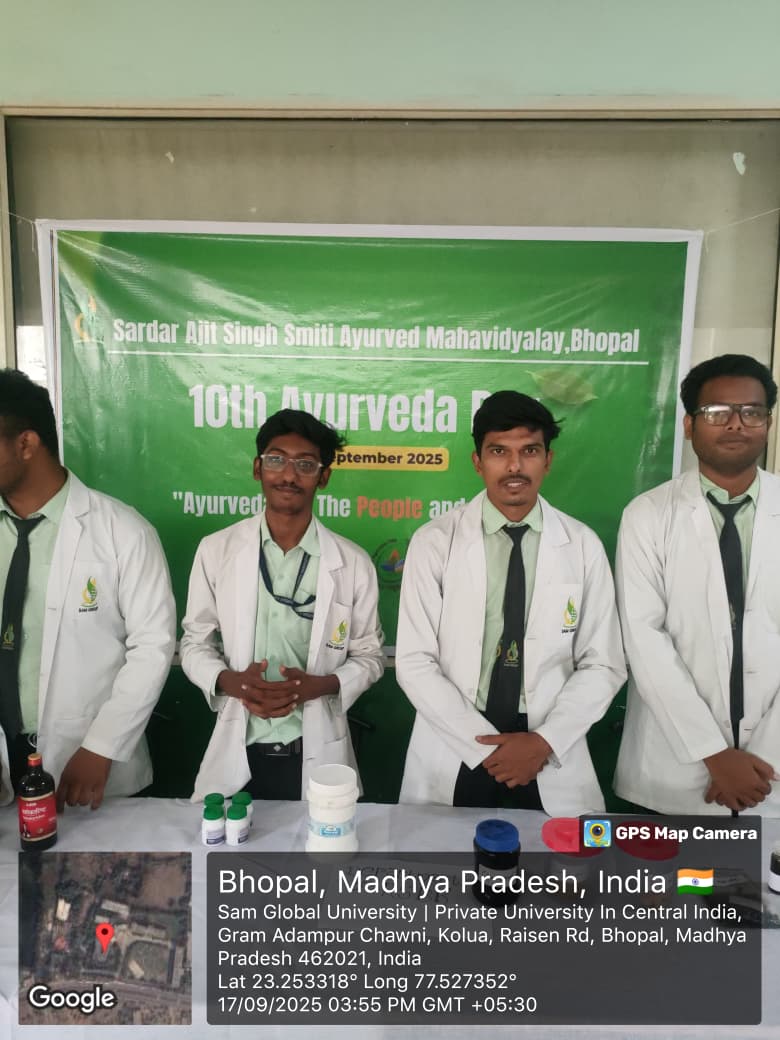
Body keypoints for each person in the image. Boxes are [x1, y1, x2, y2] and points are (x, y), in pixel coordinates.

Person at [396, 390, 625, 815]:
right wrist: (486, 749)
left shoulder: (582, 545)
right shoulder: (434, 542)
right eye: (499, 451)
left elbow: (603, 663)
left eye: (529, 451)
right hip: (457, 737)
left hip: (546, 743)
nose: (515, 466)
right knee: (442, 855)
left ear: (548, 460)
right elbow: (414, 661)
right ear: (478, 461)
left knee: (557, 858)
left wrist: (544, 741)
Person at [181, 409, 384, 800]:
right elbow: (194, 643)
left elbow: (370, 656)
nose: (289, 475)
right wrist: (231, 682)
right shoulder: (217, 550)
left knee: (321, 838)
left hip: (315, 747)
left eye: (305, 465)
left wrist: (321, 686)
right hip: (238, 748)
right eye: (276, 460)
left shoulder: (353, 563)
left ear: (323, 477)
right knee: (229, 838)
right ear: (258, 468)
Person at [0, 369, 176, 810]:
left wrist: (101, 746)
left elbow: (152, 646)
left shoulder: (123, 531)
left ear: (26, 444)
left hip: (91, 766)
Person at [615, 354, 780, 815]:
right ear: (689, 425)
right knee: (668, 867)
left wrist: (764, 756)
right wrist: (714, 754)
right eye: (717, 412)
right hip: (672, 769)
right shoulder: (647, 515)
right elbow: (643, 639)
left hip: (769, 775)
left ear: (768, 423)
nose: (736, 424)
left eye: (752, 412)